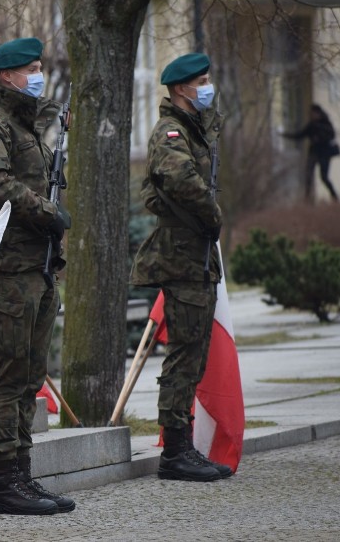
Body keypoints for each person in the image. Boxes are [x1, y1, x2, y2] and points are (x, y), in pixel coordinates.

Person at [0, 37, 74, 515]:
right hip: (11, 269)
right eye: (31, 68)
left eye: (39, 67)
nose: (38, 74)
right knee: (10, 375)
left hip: (38, 267)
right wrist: (44, 210)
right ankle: (4, 482)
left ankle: (23, 477)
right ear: (7, 75)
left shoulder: (27, 125)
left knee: (30, 375)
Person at [130, 52, 232, 482]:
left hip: (196, 254)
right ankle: (175, 451)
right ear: (181, 89)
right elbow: (179, 181)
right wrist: (213, 214)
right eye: (202, 82)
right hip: (181, 255)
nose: (208, 87)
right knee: (183, 355)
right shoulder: (171, 132)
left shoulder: (194, 129)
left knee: (193, 353)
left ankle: (183, 446)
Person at [282, 104, 340, 202]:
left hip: (324, 153)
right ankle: (308, 198)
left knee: (324, 177)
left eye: (312, 113)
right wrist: (286, 135)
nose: (311, 115)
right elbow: (300, 135)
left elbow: (332, 135)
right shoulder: (311, 125)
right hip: (313, 153)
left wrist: (320, 137)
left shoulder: (325, 123)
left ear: (318, 113)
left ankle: (335, 197)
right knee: (308, 175)